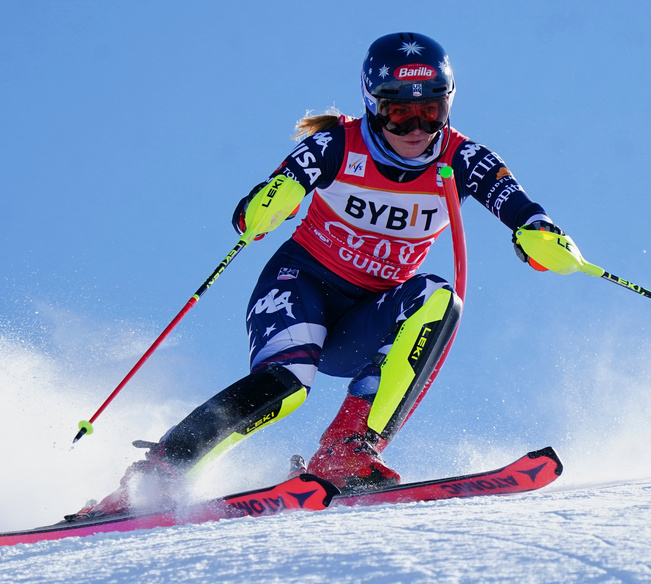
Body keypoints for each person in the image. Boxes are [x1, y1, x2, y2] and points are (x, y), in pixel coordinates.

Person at [75, 32, 578, 516]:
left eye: (431, 111)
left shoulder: (462, 158)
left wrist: (543, 238)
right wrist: (268, 204)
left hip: (368, 317)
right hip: (301, 286)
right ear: (372, 105)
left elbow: (522, 208)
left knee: (438, 299)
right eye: (399, 112)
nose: (417, 129)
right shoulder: (338, 144)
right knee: (289, 385)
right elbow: (267, 198)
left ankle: (347, 451)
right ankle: (160, 473)